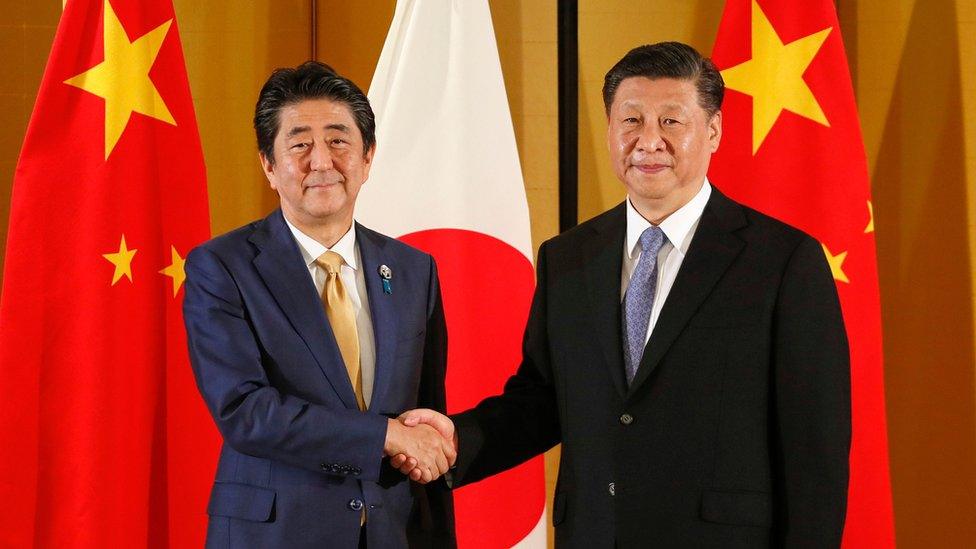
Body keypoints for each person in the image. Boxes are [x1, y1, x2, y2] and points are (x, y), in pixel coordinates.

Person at [396, 42, 851, 548]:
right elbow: (543, 401)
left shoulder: (783, 261)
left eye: (671, 122)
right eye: (630, 120)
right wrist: (458, 439)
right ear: (610, 128)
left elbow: (816, 454)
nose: (648, 141)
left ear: (714, 131)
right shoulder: (567, 258)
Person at [183, 61, 456, 549]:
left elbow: (423, 412)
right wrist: (383, 437)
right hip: (273, 533)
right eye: (299, 144)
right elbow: (246, 411)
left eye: (338, 140)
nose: (322, 161)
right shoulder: (221, 267)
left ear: (367, 158)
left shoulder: (414, 270)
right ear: (269, 164)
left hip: (393, 531)